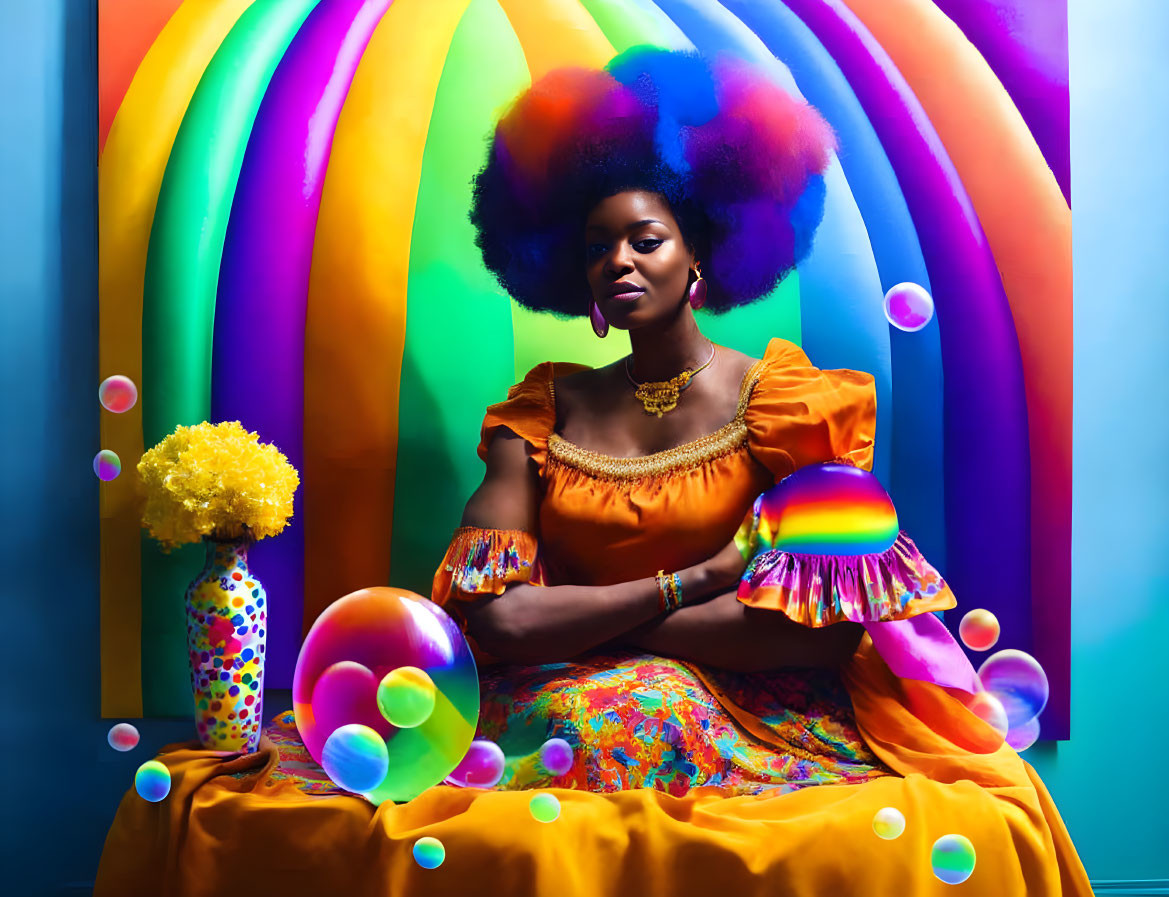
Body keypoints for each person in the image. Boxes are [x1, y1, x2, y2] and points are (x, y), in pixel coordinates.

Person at [427, 47, 1093, 892]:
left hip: (753, 700)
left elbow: (815, 634)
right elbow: (499, 625)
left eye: (646, 239)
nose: (620, 261)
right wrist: (690, 583)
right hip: (560, 693)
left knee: (632, 706)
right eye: (598, 248)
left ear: (698, 255)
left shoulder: (790, 405)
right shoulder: (539, 411)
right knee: (582, 713)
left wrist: (597, 622)